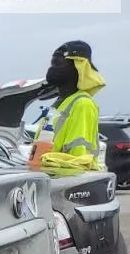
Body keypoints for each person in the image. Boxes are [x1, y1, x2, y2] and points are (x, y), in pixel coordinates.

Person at [29, 40, 106, 174]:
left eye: (57, 63)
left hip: (68, 181)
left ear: (78, 65)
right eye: (52, 64)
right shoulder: (60, 104)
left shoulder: (83, 103)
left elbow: (79, 159)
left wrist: (46, 159)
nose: (52, 69)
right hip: (49, 176)